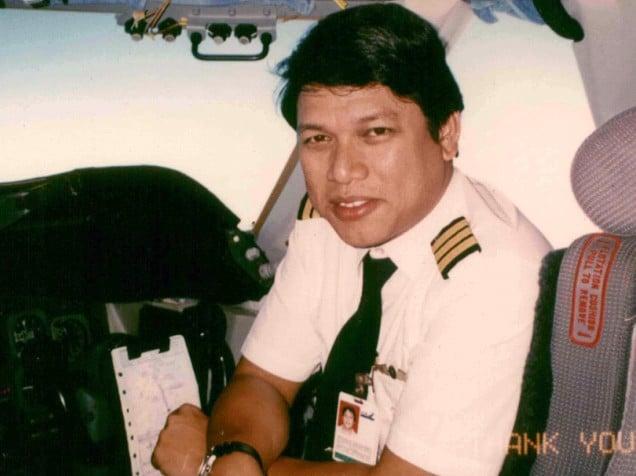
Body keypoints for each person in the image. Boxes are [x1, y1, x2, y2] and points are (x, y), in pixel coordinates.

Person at [152, 4, 551, 475]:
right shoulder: (329, 228)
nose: (341, 172)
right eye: (319, 140)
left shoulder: (492, 273)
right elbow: (262, 381)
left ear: (446, 133)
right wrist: (235, 451)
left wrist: (211, 464)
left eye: (375, 133)